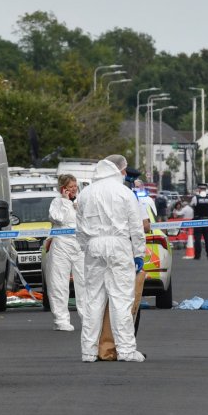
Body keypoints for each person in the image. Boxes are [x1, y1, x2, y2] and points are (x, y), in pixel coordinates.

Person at [76, 154, 147, 363]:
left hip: (94, 246)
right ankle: (126, 350)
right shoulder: (124, 193)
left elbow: (79, 228)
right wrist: (139, 253)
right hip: (119, 245)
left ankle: (88, 351)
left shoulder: (85, 194)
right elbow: (136, 227)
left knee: (92, 301)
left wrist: (84, 248)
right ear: (118, 171)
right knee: (121, 300)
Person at [98, 170, 151, 360]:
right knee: (126, 302)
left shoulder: (98, 195)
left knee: (105, 302)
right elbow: (144, 226)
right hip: (122, 254)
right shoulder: (130, 198)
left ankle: (105, 347)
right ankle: (122, 347)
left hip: (104, 253)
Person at [45, 174, 85, 332]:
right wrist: (64, 201)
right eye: (70, 187)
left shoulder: (81, 201)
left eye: (75, 186)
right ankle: (61, 320)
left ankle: (88, 317)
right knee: (58, 283)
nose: (74, 190)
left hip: (79, 244)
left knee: (85, 282)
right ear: (63, 188)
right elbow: (57, 218)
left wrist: (76, 205)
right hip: (61, 244)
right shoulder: (56, 202)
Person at [190, 183, 208, 260]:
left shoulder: (195, 198)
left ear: (199, 189)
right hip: (207, 221)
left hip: (198, 221)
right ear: (205, 189)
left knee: (197, 239)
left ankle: (197, 255)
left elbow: (192, 205)